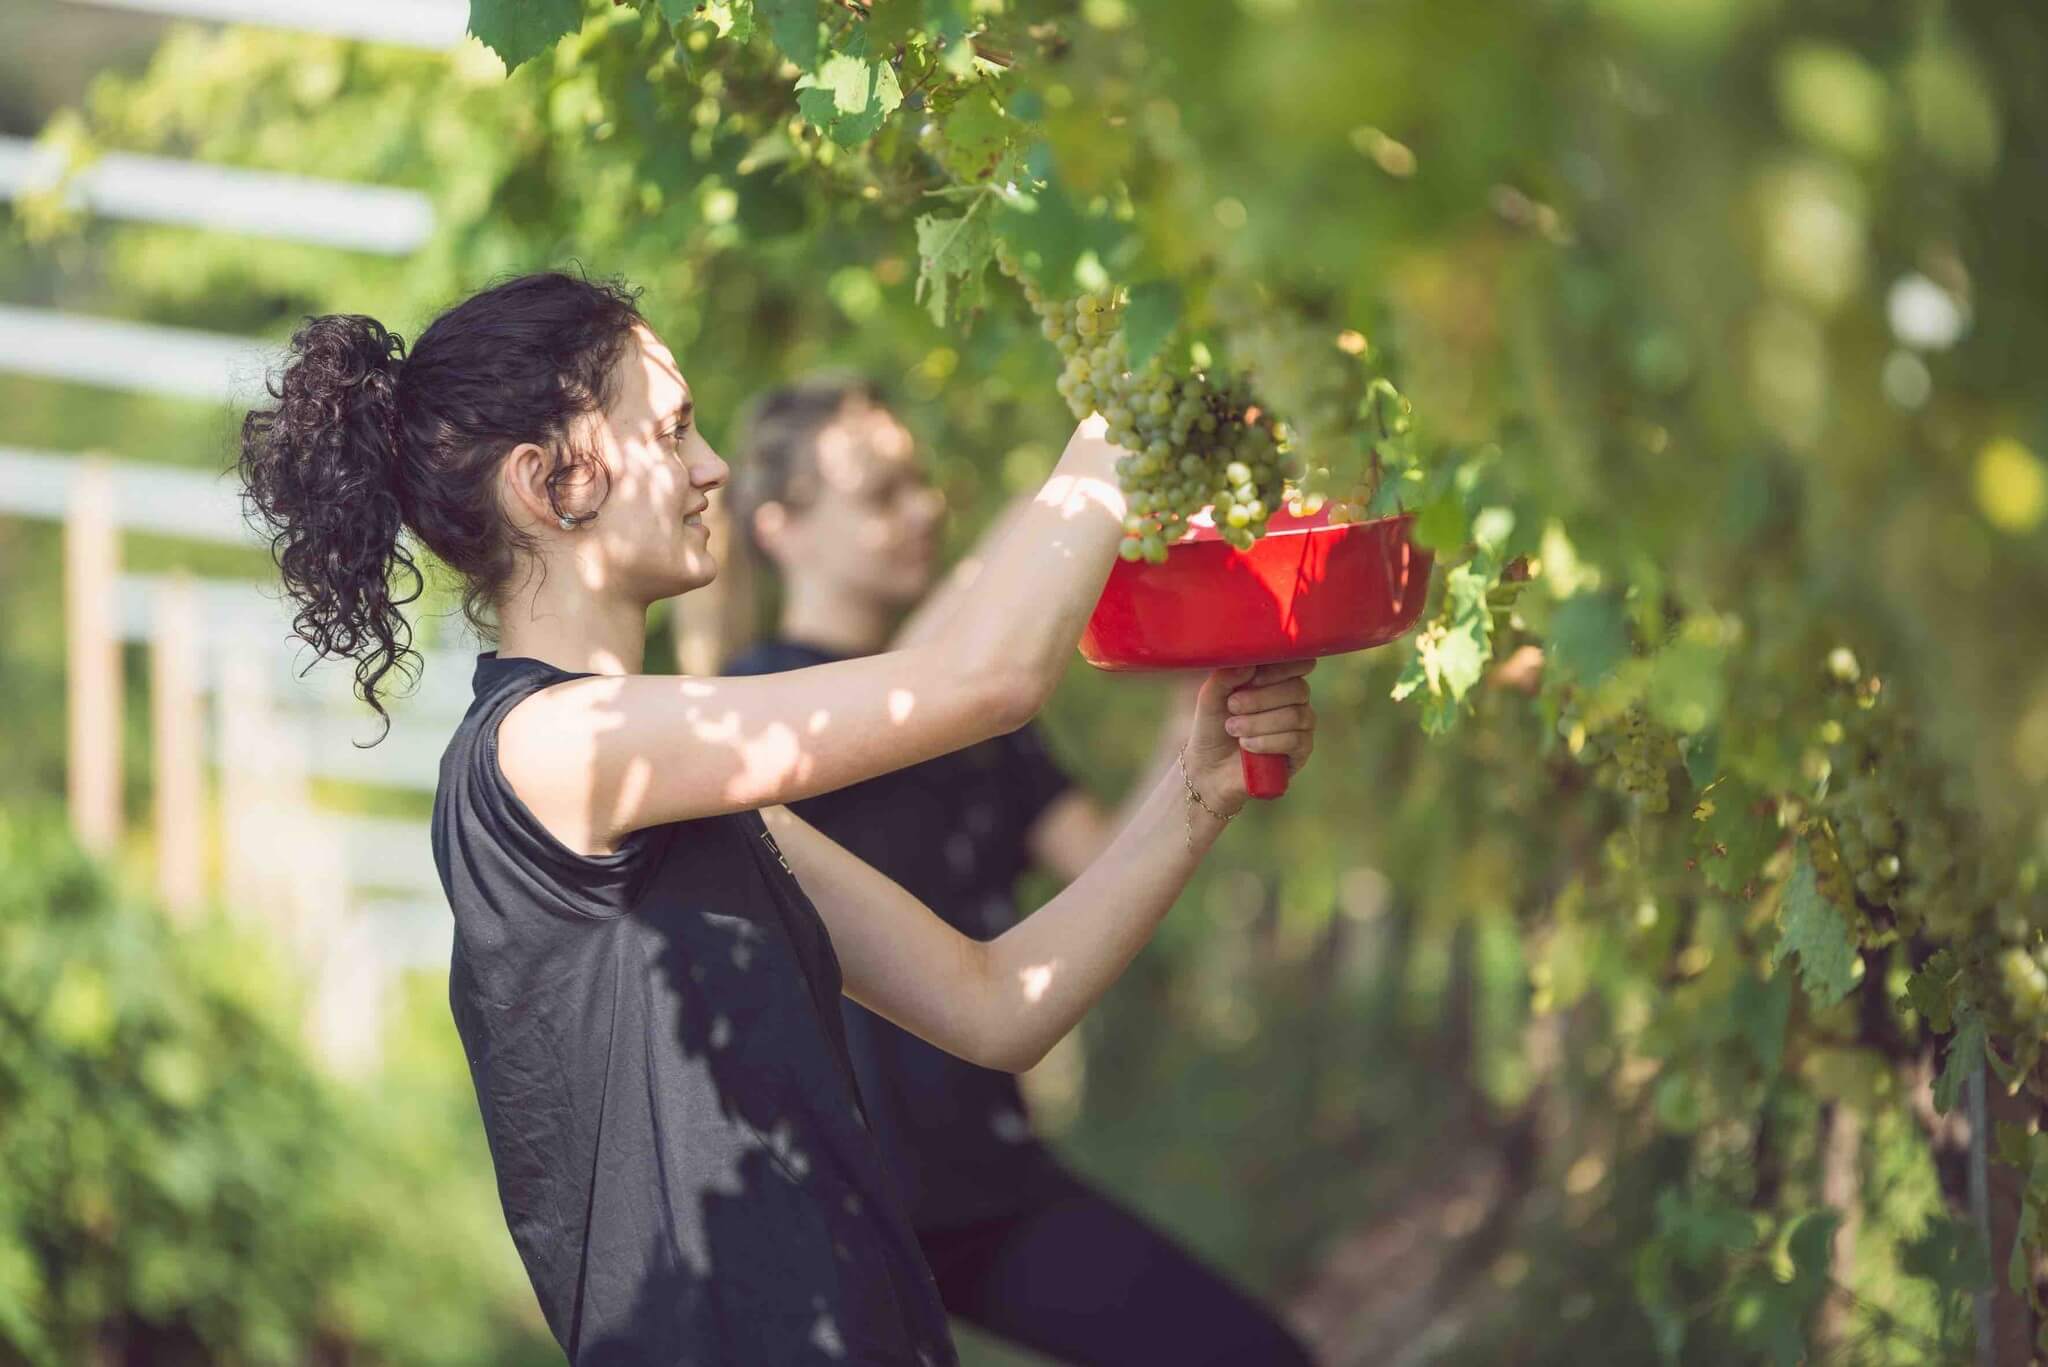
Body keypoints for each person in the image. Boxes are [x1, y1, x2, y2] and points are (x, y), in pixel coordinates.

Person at [234, 272, 1318, 1367]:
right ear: (550, 480)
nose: (709, 467)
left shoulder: (693, 789)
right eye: (672, 431)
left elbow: (996, 1005)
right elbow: (981, 678)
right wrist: (1121, 415)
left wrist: (1195, 792)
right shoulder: (552, 747)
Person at [721, 377, 1318, 1366]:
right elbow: (931, 683)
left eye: (919, 481)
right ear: (780, 528)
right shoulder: (757, 706)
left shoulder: (978, 715)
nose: (920, 510)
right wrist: (1062, 497)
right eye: (879, 491)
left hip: (982, 1180)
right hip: (838, 1217)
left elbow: (1100, 857)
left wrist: (1192, 735)